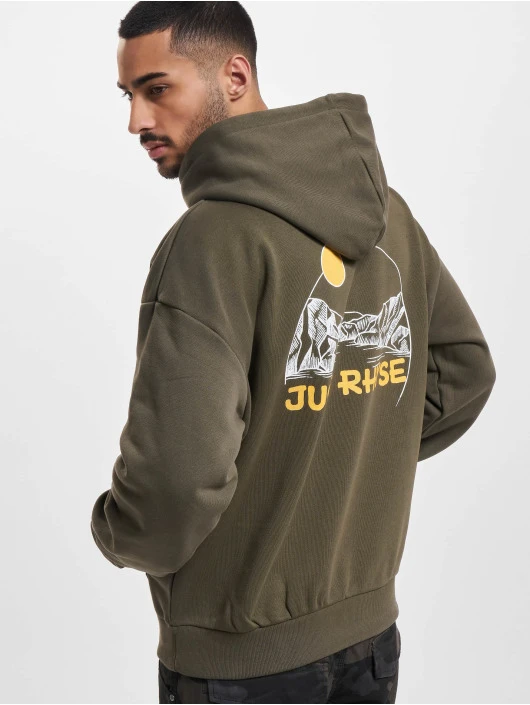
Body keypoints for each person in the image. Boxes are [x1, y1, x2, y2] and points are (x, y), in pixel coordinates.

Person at [90, 2, 497, 703]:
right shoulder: (389, 213)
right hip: (371, 640)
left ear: (235, 76)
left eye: (156, 89)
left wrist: (118, 530)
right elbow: (461, 373)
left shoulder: (211, 241)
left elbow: (174, 484)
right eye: (128, 96)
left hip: (239, 663)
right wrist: (342, 446)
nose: (136, 121)